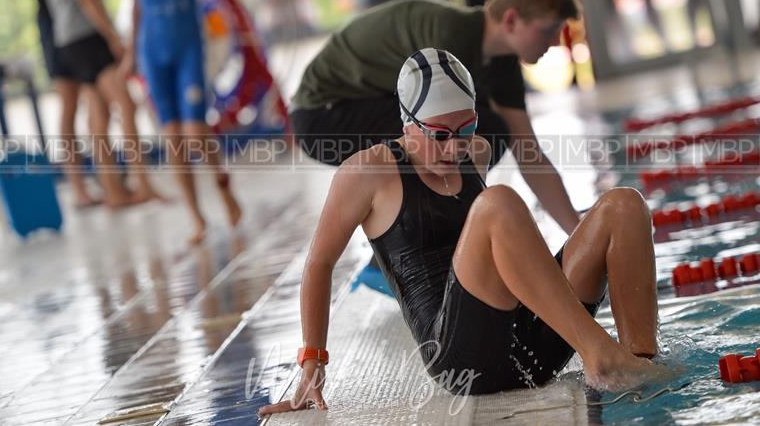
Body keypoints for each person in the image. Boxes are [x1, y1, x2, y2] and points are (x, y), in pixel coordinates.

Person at [259, 49, 665, 416]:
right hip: (464, 360)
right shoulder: (368, 173)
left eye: (466, 129)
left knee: (623, 205)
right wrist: (313, 361)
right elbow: (319, 263)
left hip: (534, 345)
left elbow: (513, 255)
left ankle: (641, 360)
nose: (455, 148)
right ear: (408, 123)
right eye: (440, 135)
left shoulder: (477, 153)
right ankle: (600, 355)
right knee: (497, 203)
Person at [292, 0, 582, 236]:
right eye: (548, 30)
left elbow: (528, 152)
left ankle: (421, 238)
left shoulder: (501, 59)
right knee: (453, 134)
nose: (556, 41)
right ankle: (400, 246)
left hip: (363, 103)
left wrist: (581, 234)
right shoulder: (450, 42)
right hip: (324, 117)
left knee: (484, 131)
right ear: (511, 20)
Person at [121, 0, 242, 245]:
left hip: (188, 49)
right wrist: (130, 53)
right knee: (173, 139)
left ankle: (224, 189)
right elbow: (137, 6)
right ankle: (196, 218)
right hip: (152, 53)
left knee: (195, 132)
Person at [34, 0, 161, 208]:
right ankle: (142, 183)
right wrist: (113, 35)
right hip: (86, 35)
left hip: (66, 37)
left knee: (98, 116)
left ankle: (115, 192)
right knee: (126, 105)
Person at [4, 0, 101, 207]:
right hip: (54, 20)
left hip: (81, 18)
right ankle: (79, 187)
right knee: (70, 101)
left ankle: (109, 179)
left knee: (98, 99)